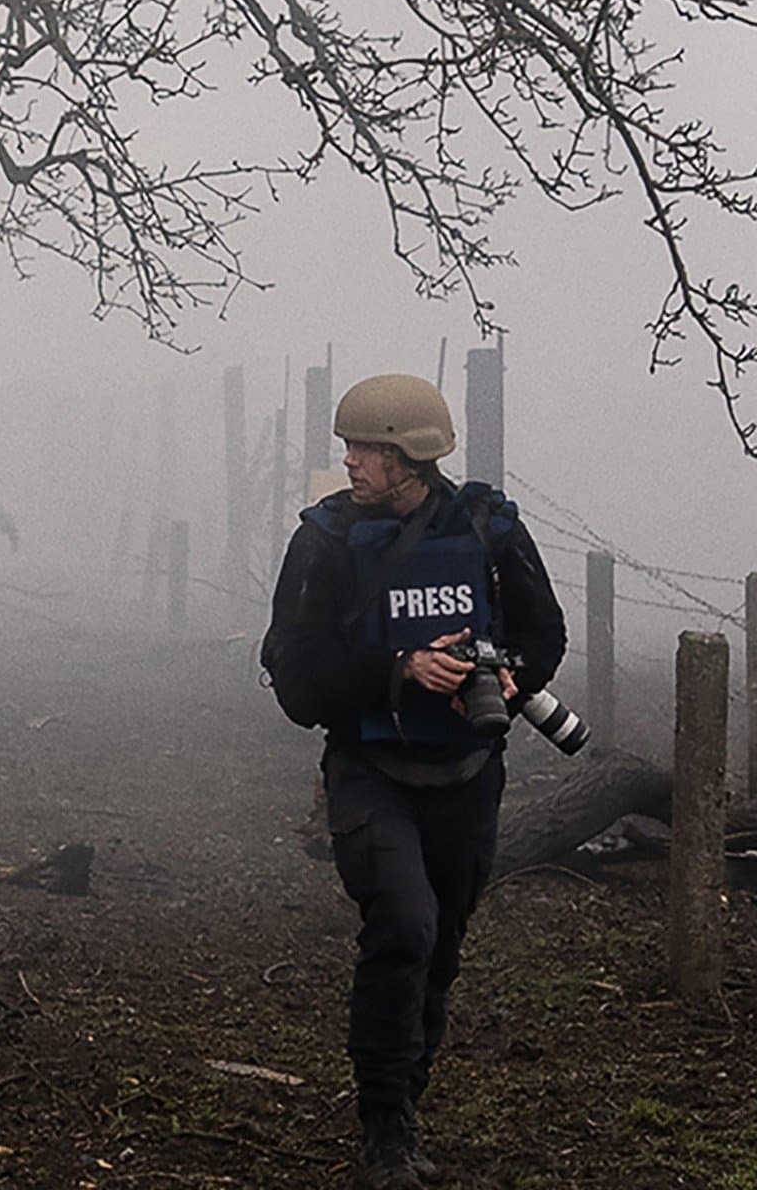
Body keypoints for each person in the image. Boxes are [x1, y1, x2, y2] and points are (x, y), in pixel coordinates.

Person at [259, 372, 568, 1190]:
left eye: (368, 449)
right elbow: (294, 679)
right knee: (403, 925)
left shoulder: (487, 529)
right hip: (370, 769)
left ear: (412, 457)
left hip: (468, 770)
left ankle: (408, 1104)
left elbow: (544, 632)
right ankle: (384, 1132)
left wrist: (509, 677)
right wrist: (396, 668)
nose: (350, 462)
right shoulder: (323, 542)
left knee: (441, 945)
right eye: (349, 446)